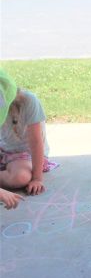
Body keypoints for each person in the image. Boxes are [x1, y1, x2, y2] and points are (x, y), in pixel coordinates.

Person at [0, 69, 51, 209]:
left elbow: (36, 142)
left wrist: (37, 178)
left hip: (24, 154)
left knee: (20, 178)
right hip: (2, 149)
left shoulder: (29, 101)